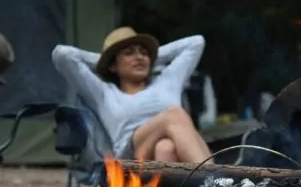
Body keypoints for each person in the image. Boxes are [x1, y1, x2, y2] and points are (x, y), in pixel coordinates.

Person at [52, 26, 213, 163]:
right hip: (130, 157)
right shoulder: (103, 93)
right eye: (129, 53)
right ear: (113, 66)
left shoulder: (167, 81)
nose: (139, 57)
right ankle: (216, 184)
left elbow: (196, 42)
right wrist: (105, 61)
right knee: (174, 114)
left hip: (163, 156)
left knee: (165, 148)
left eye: (143, 53)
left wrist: (148, 59)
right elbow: (62, 55)